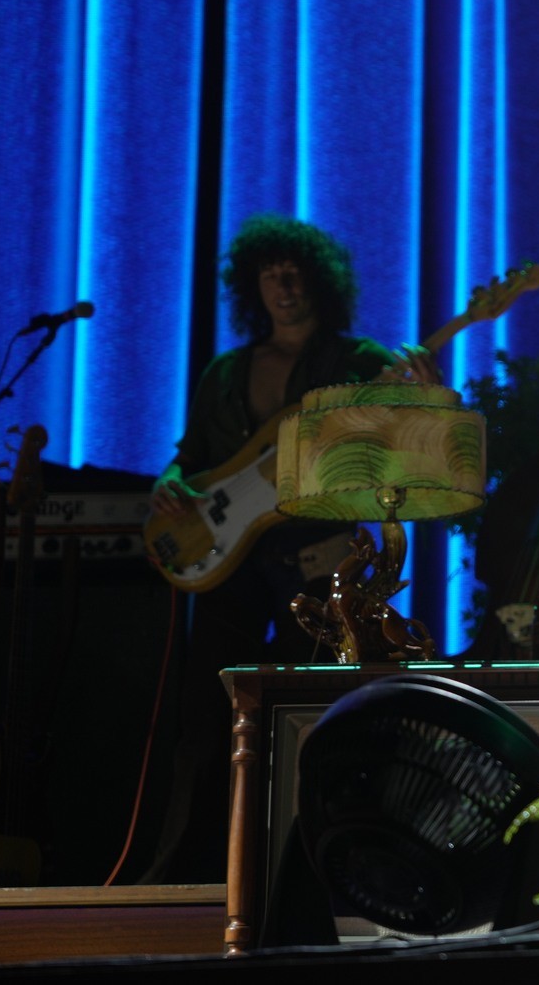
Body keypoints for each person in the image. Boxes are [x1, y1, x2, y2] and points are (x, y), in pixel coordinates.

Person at [143, 214, 431, 881]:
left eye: (296, 271)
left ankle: (324, 867)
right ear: (252, 285)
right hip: (230, 564)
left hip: (321, 558)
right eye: (271, 273)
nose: (285, 283)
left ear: (321, 282)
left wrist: (418, 400)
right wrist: (169, 483)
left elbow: (395, 454)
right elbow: (191, 460)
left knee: (321, 716)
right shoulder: (225, 372)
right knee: (209, 721)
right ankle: (199, 870)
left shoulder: (359, 364)